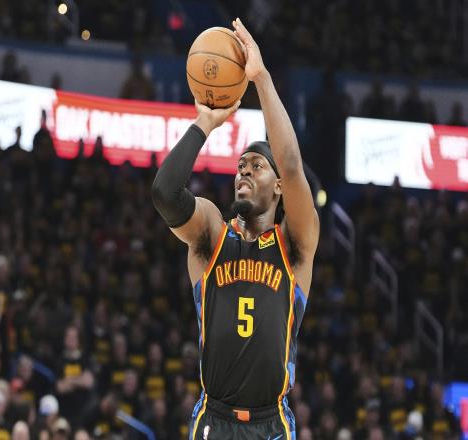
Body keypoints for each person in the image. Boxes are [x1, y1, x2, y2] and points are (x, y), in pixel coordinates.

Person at [152, 18, 319, 439]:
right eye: (240, 165)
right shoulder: (212, 234)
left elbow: (292, 165)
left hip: (271, 423)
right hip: (214, 418)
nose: (243, 170)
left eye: (256, 165)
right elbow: (165, 194)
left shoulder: (293, 244)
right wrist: (204, 123)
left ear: (278, 187)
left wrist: (261, 78)